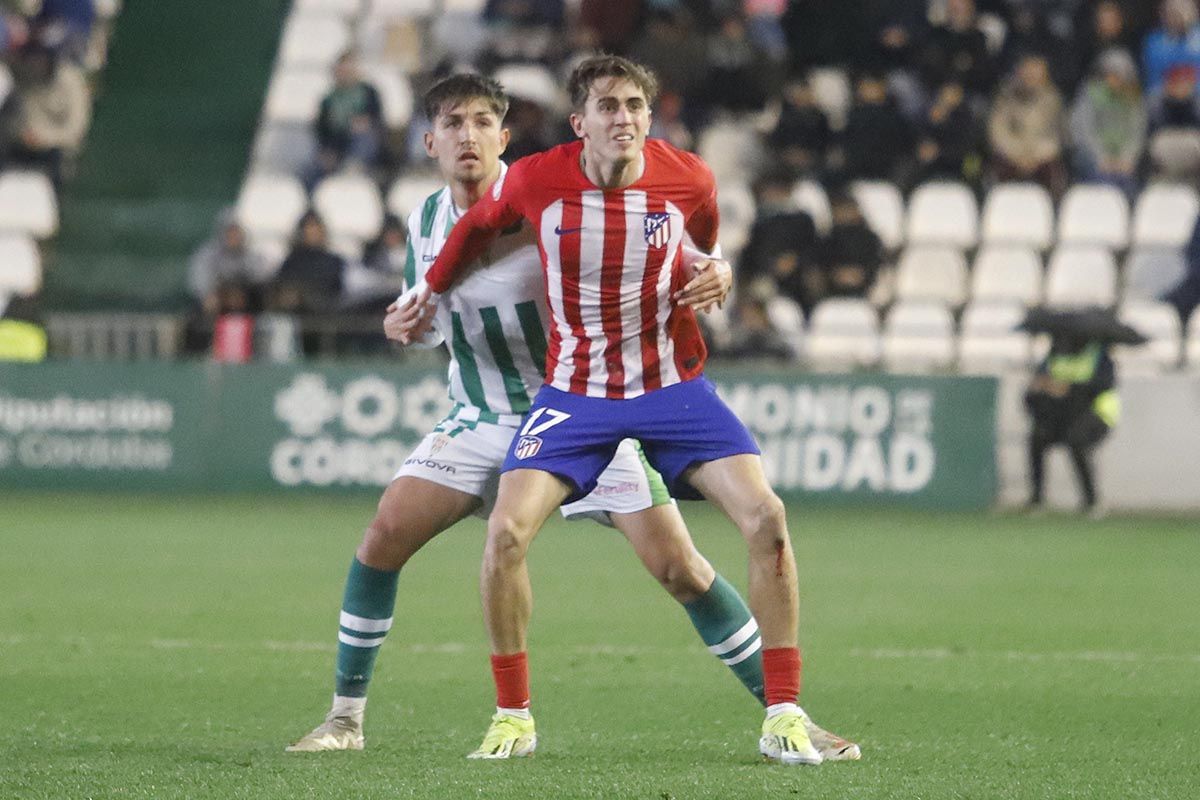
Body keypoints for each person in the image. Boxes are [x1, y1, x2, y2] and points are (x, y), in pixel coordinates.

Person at [289, 73, 859, 762]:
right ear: (430, 141)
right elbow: (430, 316)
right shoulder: (425, 223)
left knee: (680, 568)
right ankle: (346, 720)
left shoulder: (545, 197)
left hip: (581, 403)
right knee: (383, 536)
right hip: (483, 414)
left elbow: (665, 248)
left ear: (505, 137)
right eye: (452, 123)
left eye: (482, 123)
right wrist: (404, 320)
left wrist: (718, 269)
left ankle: (787, 715)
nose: (467, 136)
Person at [1025, 333, 1119, 517]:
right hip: (1061, 416)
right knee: (1037, 438)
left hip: (1096, 415)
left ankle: (1091, 501)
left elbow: (1103, 385)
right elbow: (1036, 387)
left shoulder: (1100, 357)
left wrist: (1070, 388)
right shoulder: (1054, 355)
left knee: (1077, 441)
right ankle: (1036, 500)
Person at [988, 54, 1068, 199]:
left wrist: (1035, 157)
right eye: (1028, 70)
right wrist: (1018, 155)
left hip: (1042, 157)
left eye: (1037, 71)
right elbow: (998, 131)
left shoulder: (1054, 100)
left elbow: (1057, 135)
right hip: (1011, 155)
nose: (1032, 75)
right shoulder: (1006, 97)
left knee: (1054, 172)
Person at [1069, 48, 1147, 197]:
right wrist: (1101, 157)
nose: (1114, 79)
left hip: (1124, 161)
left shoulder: (1134, 97)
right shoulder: (1090, 94)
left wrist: (1127, 158)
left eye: (1119, 74)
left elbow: (1137, 132)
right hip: (1095, 157)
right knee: (1100, 182)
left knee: (1129, 187)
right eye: (1111, 73)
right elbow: (1084, 131)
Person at [306, 51, 385, 189]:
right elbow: (322, 131)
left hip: (364, 145)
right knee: (310, 171)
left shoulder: (368, 92)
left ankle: (353, 167)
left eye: (349, 69)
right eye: (342, 70)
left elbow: (375, 118)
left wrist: (362, 123)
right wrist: (327, 151)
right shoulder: (328, 100)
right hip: (336, 147)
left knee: (364, 137)